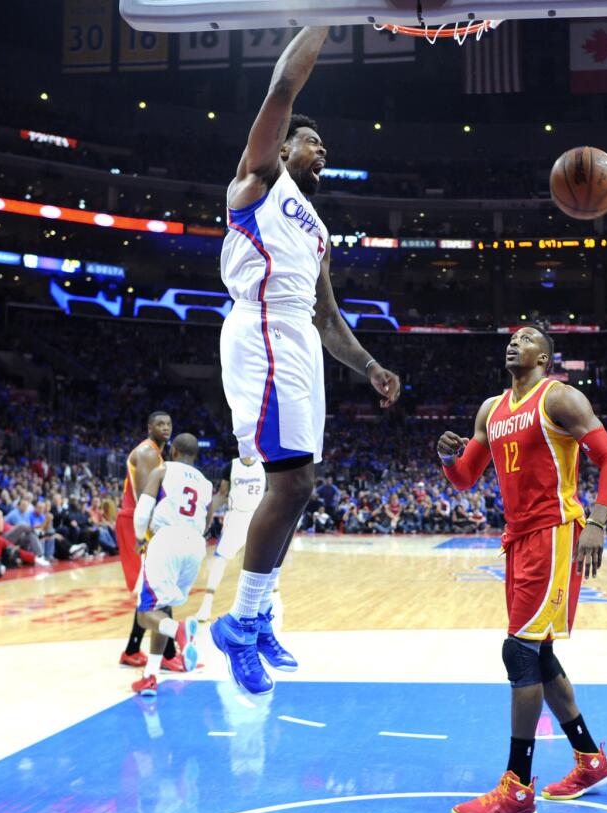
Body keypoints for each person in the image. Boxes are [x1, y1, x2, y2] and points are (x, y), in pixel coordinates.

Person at [212, 25, 400, 696]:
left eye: (324, 145)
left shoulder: (317, 230)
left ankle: (256, 615)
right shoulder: (258, 183)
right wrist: (326, 13)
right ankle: (238, 622)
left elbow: (327, 317)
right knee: (287, 485)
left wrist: (369, 366)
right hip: (260, 329)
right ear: (286, 146)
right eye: (312, 140)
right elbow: (283, 86)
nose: (323, 149)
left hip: (297, 337)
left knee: (302, 487)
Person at [437, 326, 607, 813]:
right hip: (517, 537)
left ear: (544, 354)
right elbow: (465, 477)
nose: (513, 342)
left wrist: (599, 523)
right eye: (511, 337)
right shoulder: (490, 410)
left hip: (556, 531)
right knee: (537, 653)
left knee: (519, 651)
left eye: (525, 338)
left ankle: (517, 789)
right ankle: (590, 760)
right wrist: (446, 457)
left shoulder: (559, 397)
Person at [129, 434, 212, 696]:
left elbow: (143, 510)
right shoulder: (206, 484)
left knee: (145, 614)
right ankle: (151, 675)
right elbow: (208, 523)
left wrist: (140, 539)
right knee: (162, 607)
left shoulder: (163, 470)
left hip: (167, 539)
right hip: (195, 545)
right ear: (194, 456)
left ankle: (179, 631)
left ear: (173, 451)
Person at [116, 412, 181, 671]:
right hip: (138, 520)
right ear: (149, 427)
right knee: (159, 585)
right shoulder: (147, 452)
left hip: (143, 519)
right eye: (160, 424)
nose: (165, 427)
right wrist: (154, 530)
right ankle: (167, 655)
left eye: (168, 423)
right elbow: (145, 497)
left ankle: (132, 651)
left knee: (153, 586)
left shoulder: (158, 454)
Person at [196, 456, 267, 624]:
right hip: (236, 517)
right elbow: (222, 494)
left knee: (261, 565)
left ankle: (260, 608)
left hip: (258, 516)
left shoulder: (265, 465)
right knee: (220, 560)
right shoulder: (231, 466)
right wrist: (207, 510)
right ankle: (206, 604)